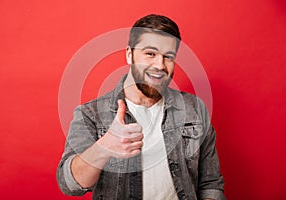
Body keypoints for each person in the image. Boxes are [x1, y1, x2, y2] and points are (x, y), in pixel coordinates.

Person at [57, 14, 225, 200]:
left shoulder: (194, 109)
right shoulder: (90, 114)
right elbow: (69, 184)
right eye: (150, 54)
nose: (160, 65)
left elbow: (210, 184)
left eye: (168, 56)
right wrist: (103, 148)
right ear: (130, 55)